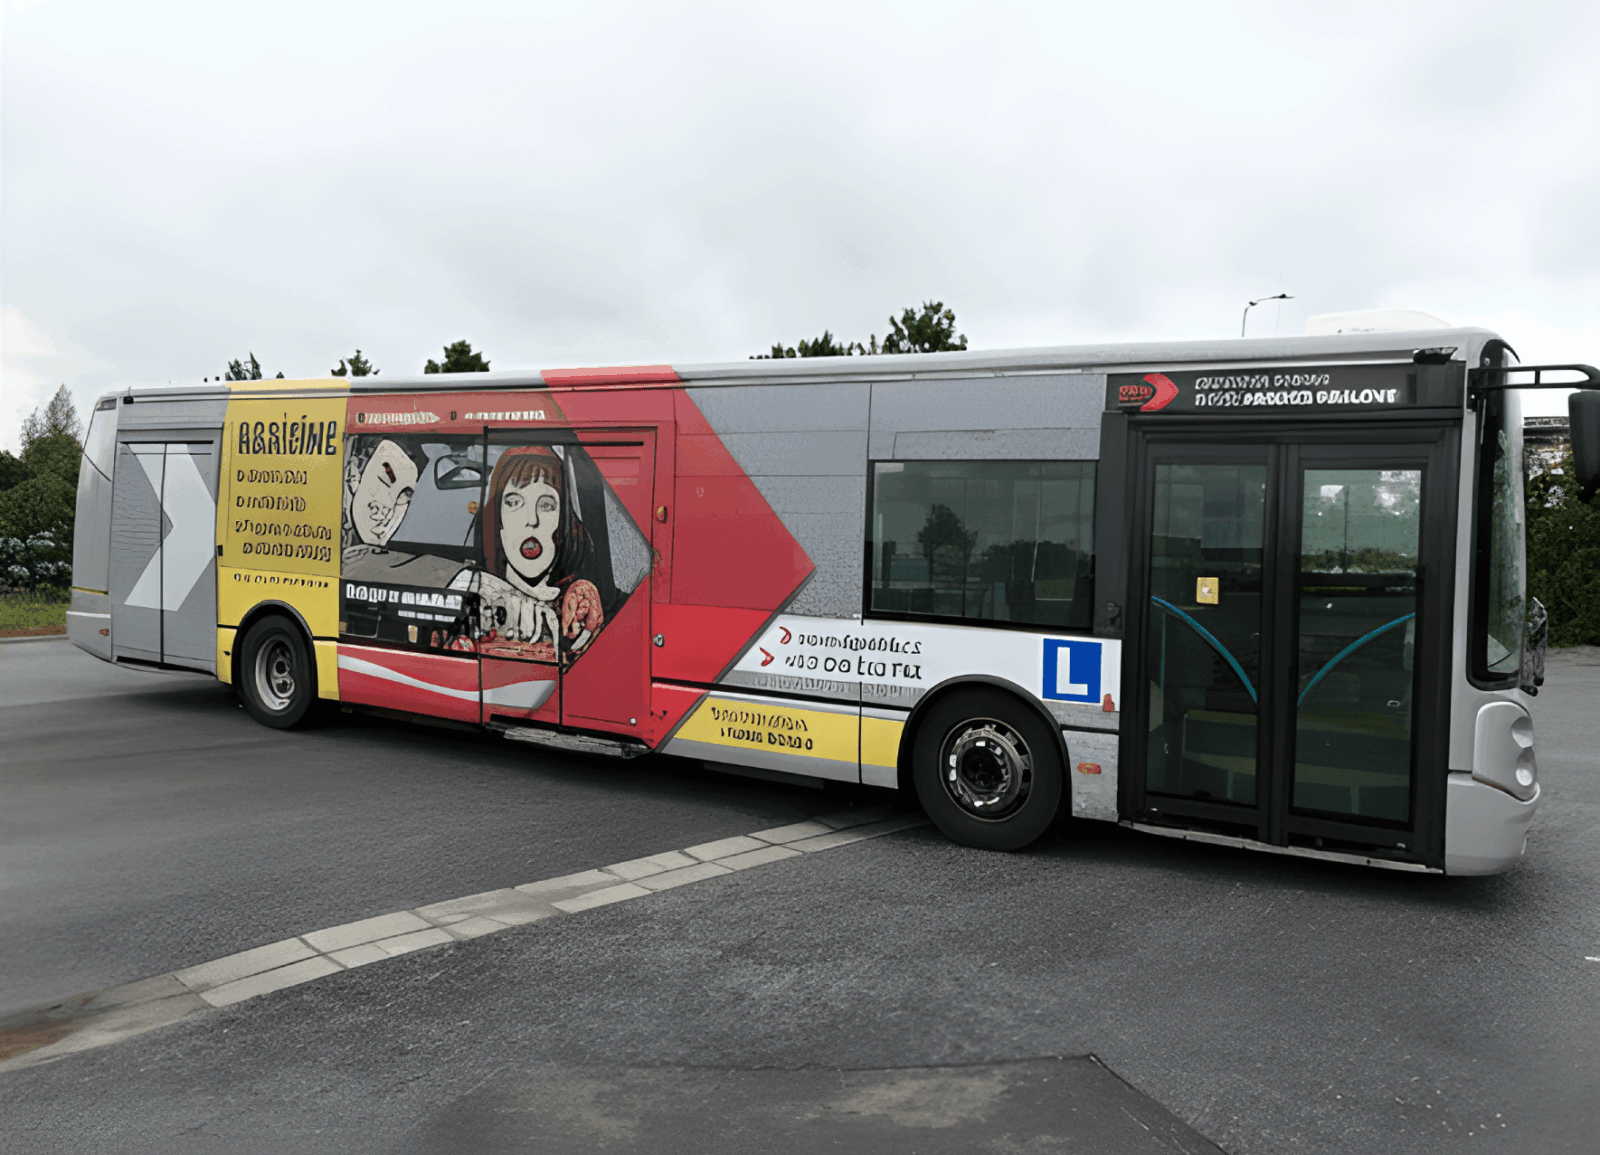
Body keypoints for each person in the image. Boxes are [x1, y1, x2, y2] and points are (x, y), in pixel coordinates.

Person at [464, 445, 604, 662]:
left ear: (563, 521)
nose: (532, 519)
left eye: (546, 505)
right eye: (513, 502)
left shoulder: (576, 603)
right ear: (497, 519)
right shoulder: (472, 591)